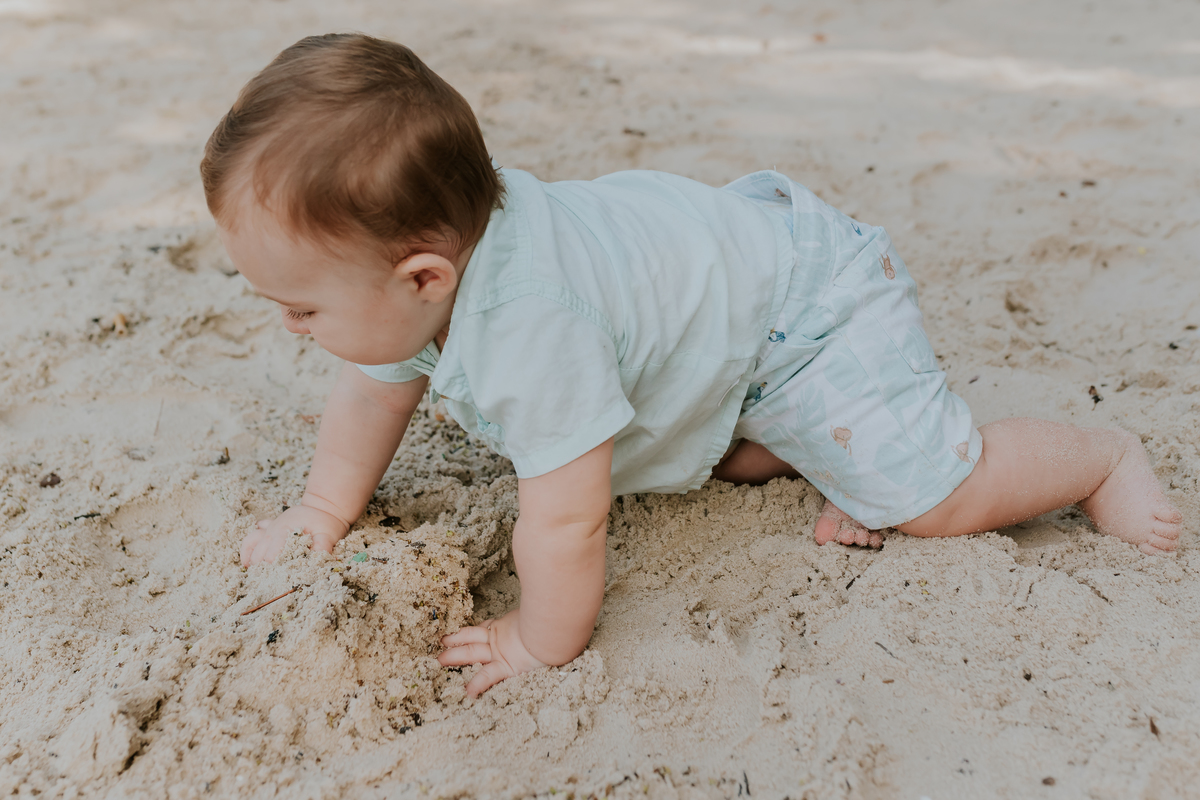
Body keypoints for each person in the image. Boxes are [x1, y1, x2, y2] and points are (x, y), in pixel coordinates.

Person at [202, 33, 1182, 697]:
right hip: (723, 319)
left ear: (422, 275)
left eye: (300, 305)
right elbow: (375, 380)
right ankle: (801, 445)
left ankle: (1096, 457)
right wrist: (320, 512)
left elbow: (569, 514)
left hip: (809, 310)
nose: (289, 325)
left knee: (924, 493)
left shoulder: (533, 329)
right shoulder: (430, 268)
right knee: (725, 458)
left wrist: (540, 640)